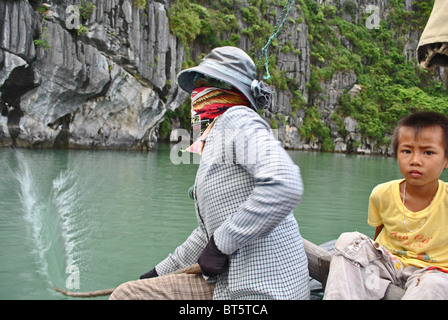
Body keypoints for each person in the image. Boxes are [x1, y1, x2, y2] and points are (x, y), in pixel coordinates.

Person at [110, 46, 310, 300]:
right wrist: (159, 273)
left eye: (204, 84)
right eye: (196, 85)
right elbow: (206, 236)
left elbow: (285, 183)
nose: (196, 94)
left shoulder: (237, 118)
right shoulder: (215, 141)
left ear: (226, 90)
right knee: (132, 293)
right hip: (227, 286)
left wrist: (221, 245)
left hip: (266, 291)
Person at [324, 111, 448, 300]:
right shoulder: (382, 194)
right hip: (389, 265)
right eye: (407, 151)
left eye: (428, 152)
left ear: (446, 159)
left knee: (435, 284)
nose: (415, 160)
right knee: (349, 241)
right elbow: (377, 241)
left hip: (432, 272)